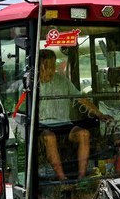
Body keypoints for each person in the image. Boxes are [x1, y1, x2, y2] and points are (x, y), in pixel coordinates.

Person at [37, 49, 112, 181]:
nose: (51, 70)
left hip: (65, 125)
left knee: (84, 134)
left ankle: (81, 177)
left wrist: (100, 114)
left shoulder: (63, 81)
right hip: (43, 127)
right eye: (47, 66)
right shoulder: (32, 85)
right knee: (50, 137)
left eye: (53, 65)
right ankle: (62, 179)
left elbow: (81, 98)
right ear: (39, 66)